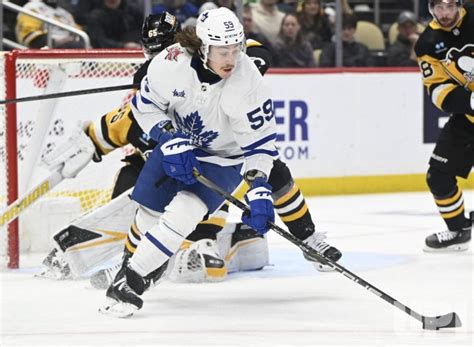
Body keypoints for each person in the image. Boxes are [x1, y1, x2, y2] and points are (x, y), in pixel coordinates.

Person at [100, 7, 340, 318]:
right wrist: (168, 137)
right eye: (221, 50)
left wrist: (257, 187)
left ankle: (129, 282)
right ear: (202, 46)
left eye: (235, 49)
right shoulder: (169, 63)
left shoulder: (248, 82)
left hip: (222, 159)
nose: (230, 58)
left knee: (184, 215)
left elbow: (260, 145)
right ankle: (129, 266)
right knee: (148, 216)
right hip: (177, 145)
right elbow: (145, 107)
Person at [414, 0, 473, 252]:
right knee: (437, 176)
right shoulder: (427, 43)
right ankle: (458, 230)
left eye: (450, 6)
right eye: (439, 7)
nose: (445, 13)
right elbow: (437, 90)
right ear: (430, 8)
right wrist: (470, 101)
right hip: (468, 119)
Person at [15, 0, 85, 48]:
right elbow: (30, 38)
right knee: (74, 46)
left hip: (71, 49)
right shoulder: (32, 8)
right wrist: (59, 42)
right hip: (45, 53)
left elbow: (79, 32)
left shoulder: (65, 13)